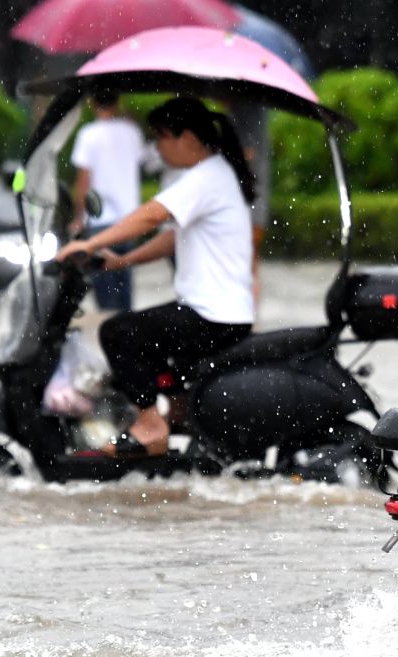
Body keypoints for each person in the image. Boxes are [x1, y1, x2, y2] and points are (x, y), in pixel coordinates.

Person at [55, 97, 257, 458]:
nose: (158, 147)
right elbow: (171, 236)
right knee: (153, 337)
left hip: (214, 314)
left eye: (162, 137)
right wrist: (123, 261)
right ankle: (180, 415)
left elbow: (151, 215)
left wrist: (91, 241)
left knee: (118, 333)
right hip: (217, 311)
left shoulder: (207, 177)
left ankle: (150, 425)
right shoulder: (215, 174)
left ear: (188, 138)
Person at [68, 89, 147, 312]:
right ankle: (128, 335)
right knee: (125, 287)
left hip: (101, 219)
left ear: (93, 103)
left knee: (105, 291)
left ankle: (110, 334)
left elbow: (83, 180)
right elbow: (140, 164)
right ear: (118, 100)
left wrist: (78, 217)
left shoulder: (88, 135)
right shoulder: (132, 132)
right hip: (130, 220)